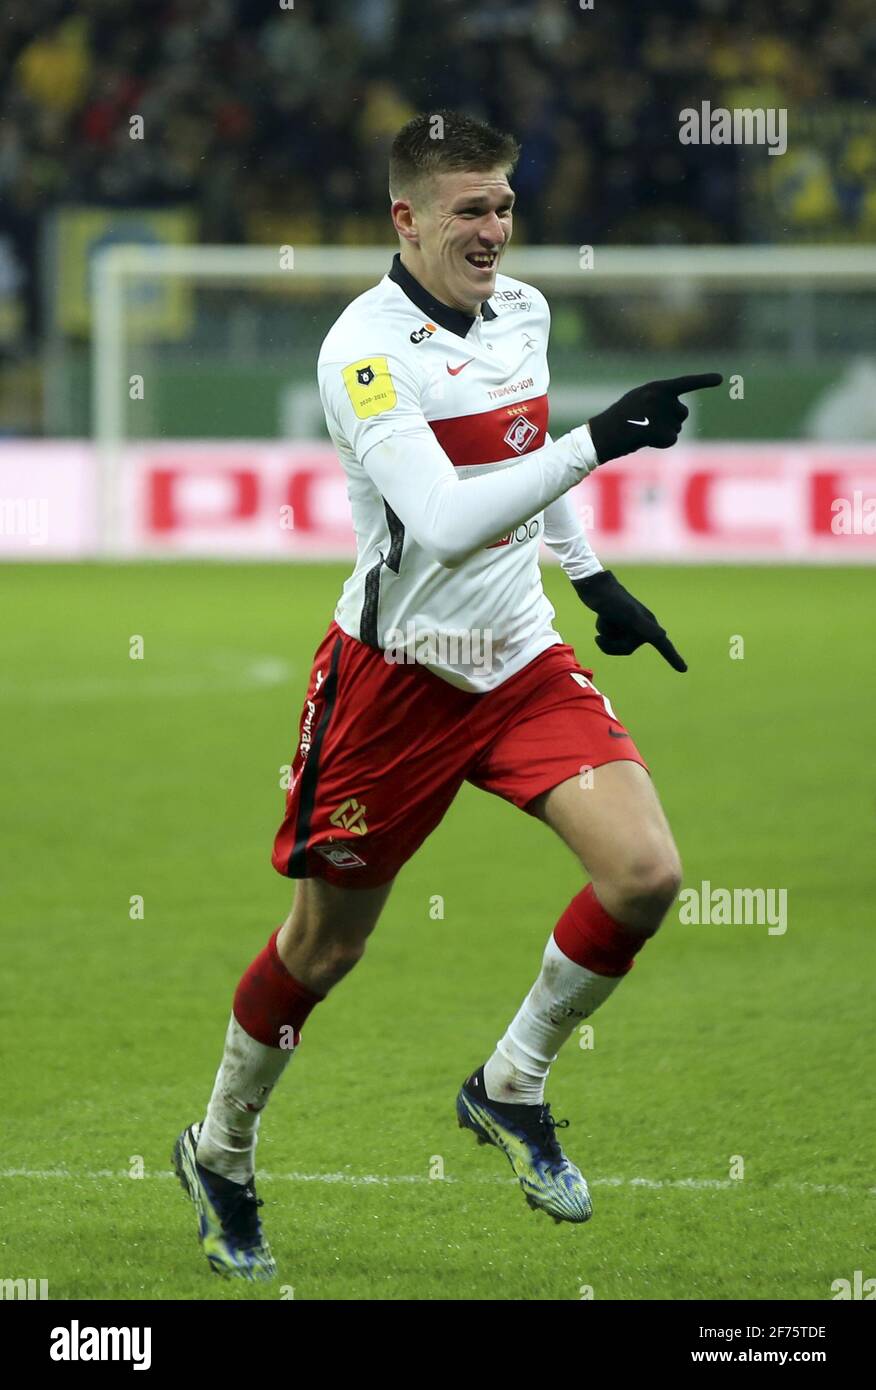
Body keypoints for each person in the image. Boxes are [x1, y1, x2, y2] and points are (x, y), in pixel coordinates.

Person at [173, 109, 721, 1280]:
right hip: (395, 680)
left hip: (519, 657)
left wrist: (594, 575)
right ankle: (220, 1151)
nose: (494, 230)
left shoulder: (522, 312)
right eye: (470, 208)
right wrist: (603, 439)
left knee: (646, 875)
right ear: (405, 218)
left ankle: (510, 1081)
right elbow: (446, 515)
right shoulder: (363, 353)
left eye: (505, 205)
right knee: (322, 951)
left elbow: (521, 459)